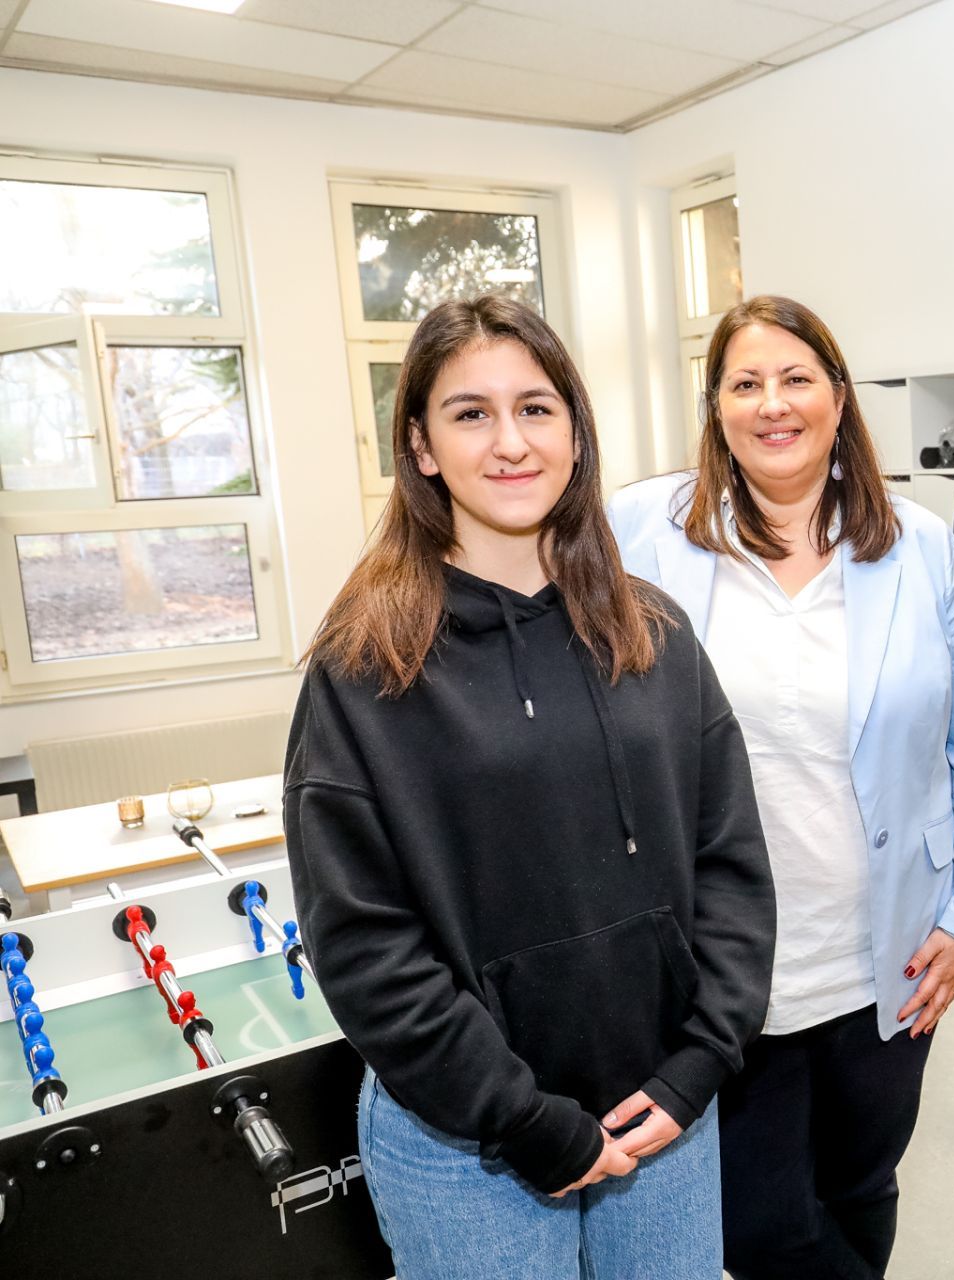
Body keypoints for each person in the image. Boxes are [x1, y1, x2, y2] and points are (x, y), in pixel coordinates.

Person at [284, 295, 775, 1279]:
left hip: (661, 1118)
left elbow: (731, 870)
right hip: (464, 1141)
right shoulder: (367, 665)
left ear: (576, 431)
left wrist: (694, 1069)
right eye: (469, 413)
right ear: (421, 445)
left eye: (536, 407)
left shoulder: (657, 635)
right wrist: (520, 1115)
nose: (509, 441)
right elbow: (365, 940)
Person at [610, 294, 954, 1280]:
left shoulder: (919, 549)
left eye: (795, 378)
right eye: (744, 383)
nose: (772, 403)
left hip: (883, 958)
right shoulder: (645, 533)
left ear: (838, 397)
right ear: (715, 407)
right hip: (723, 968)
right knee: (759, 1226)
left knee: (860, 1187)